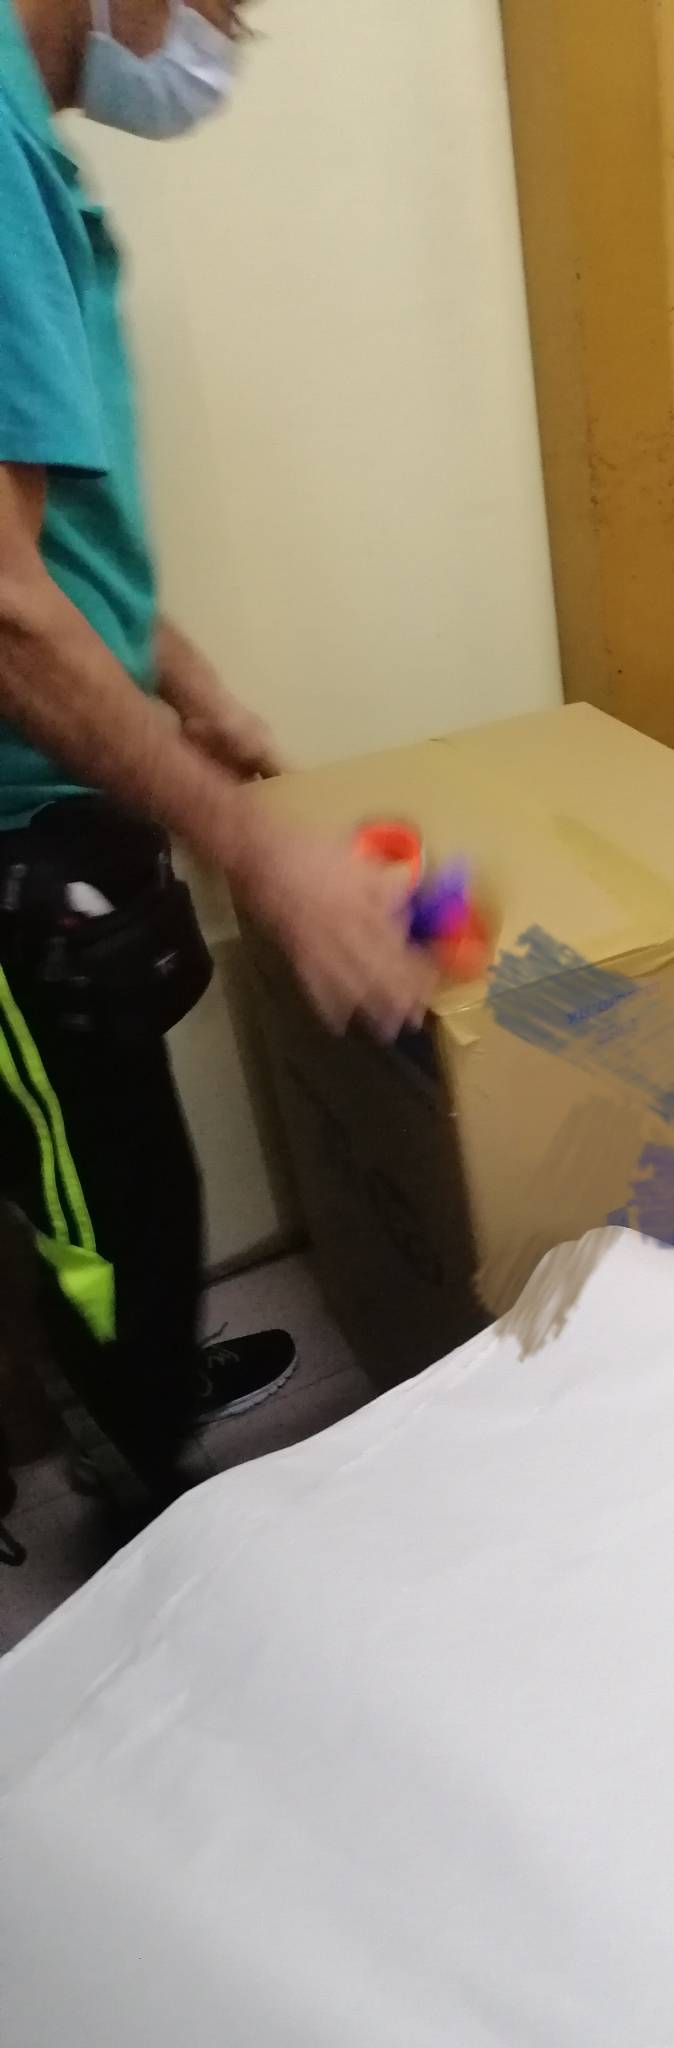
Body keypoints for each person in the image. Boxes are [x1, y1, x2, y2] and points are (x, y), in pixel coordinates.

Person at [0, 0, 436, 1516]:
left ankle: (147, 1385)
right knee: (95, 1211)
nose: (223, 40)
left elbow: (58, 534)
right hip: (8, 839)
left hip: (58, 796)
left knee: (133, 1162)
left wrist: (186, 680)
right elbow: (4, 605)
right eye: (223, 6)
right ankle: (139, 1495)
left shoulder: (29, 143)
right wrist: (262, 855)